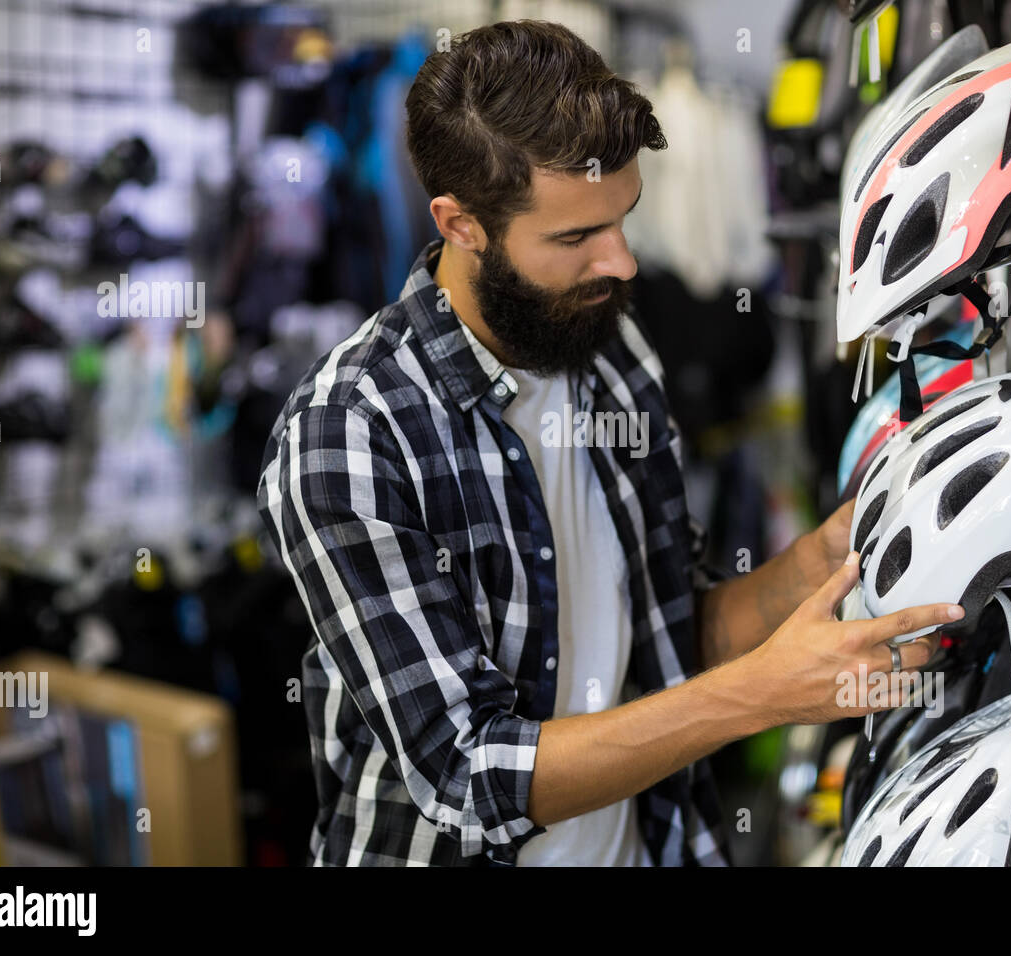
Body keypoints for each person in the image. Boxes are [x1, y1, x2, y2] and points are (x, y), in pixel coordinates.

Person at [257, 19, 964, 867]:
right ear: (460, 223)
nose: (623, 263)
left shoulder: (609, 350)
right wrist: (759, 698)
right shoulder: (349, 434)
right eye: (575, 238)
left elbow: (667, 637)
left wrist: (816, 564)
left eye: (623, 218)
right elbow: (468, 775)